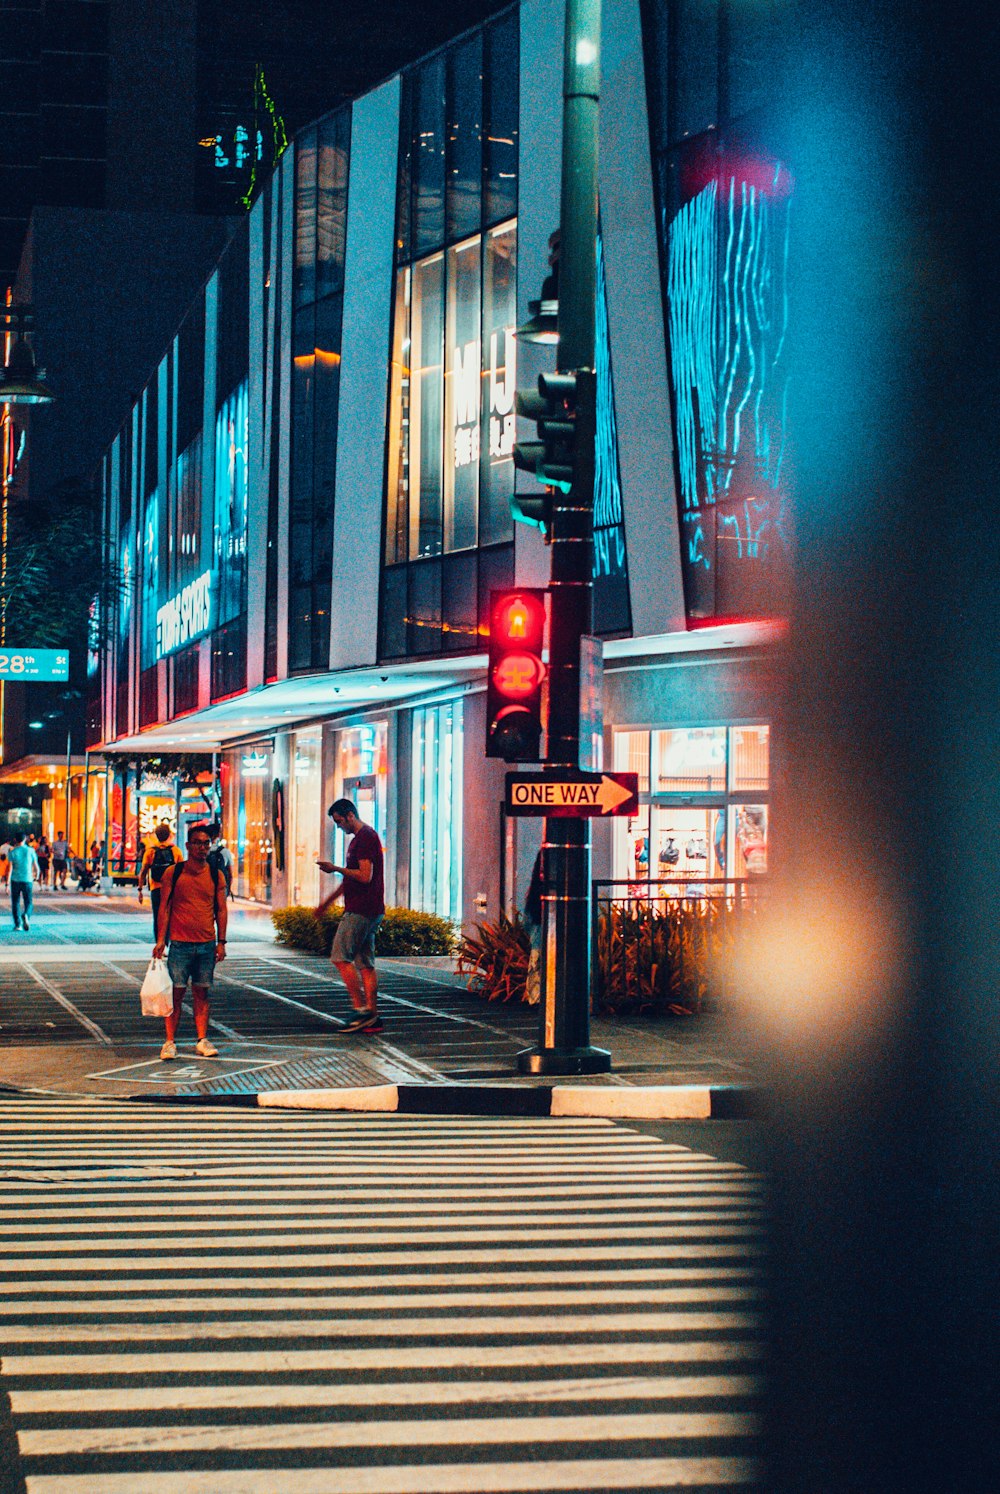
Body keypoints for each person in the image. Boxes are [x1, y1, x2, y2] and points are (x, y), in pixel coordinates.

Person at [152, 824, 228, 1062]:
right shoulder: (173, 873)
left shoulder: (216, 874)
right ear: (188, 845)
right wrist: (161, 940)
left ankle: (201, 1039)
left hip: (206, 943)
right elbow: (164, 908)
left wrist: (222, 942)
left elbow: (222, 910)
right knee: (175, 993)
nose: (203, 848)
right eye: (198, 843)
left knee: (202, 992)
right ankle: (169, 1041)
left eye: (206, 843)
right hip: (180, 944)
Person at [315, 798, 385, 1034]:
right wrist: (327, 902)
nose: (339, 827)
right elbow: (351, 880)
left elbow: (364, 876)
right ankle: (372, 1017)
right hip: (369, 908)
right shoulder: (363, 838)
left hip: (362, 910)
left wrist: (335, 868)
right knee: (365, 964)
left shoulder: (364, 838)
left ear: (350, 816)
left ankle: (360, 1011)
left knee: (340, 958)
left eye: (339, 821)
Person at [138, 823, 183, 937]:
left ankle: (159, 943)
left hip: (156, 889)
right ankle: (169, 943)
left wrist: (140, 890)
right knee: (172, 915)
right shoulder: (175, 851)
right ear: (169, 835)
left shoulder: (150, 851)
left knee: (158, 916)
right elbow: (182, 871)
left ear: (156, 835)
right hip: (172, 889)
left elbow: (143, 872)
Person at [8, 832, 39, 931]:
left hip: (15, 880)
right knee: (28, 901)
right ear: (25, 839)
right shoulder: (30, 850)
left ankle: (18, 925)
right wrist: (36, 876)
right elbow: (35, 866)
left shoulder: (12, 852)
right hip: (27, 879)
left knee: (15, 902)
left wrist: (7, 884)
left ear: (15, 840)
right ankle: (26, 915)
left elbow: (10, 868)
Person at [205, 824, 234, 899]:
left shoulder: (202, 851)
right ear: (218, 835)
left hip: (205, 888)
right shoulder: (225, 851)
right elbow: (230, 874)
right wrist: (228, 890)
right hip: (220, 889)